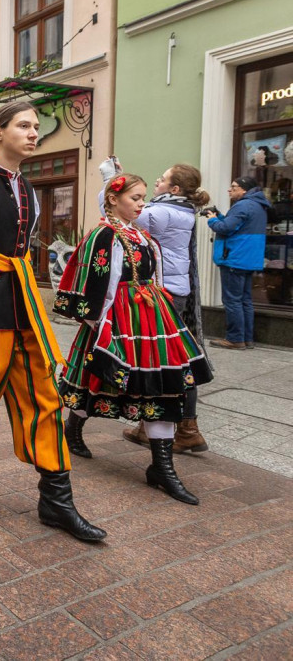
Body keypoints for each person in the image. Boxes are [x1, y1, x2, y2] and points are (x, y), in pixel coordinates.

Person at [0, 100, 105, 542]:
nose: (34, 134)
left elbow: (22, 246)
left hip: (22, 300)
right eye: (24, 126)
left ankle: (56, 499)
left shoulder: (27, 189)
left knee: (45, 396)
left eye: (36, 127)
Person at [55, 174, 213, 504]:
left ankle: (162, 467)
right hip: (115, 318)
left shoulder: (141, 236)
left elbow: (154, 276)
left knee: (165, 385)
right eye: (136, 198)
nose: (142, 204)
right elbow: (94, 281)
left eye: (143, 197)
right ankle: (72, 431)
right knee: (98, 379)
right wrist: (100, 324)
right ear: (114, 200)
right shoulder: (103, 235)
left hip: (151, 317)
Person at [101, 165, 211, 455]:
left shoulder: (161, 212)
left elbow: (114, 202)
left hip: (163, 292)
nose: (157, 183)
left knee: (166, 359)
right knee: (168, 356)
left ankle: (185, 427)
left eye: (162, 179)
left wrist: (113, 178)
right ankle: (158, 426)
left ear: (174, 189)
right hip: (175, 289)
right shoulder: (182, 209)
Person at [206, 176, 269, 350]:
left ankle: (235, 339)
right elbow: (236, 225)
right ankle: (246, 338)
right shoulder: (258, 205)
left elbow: (224, 228)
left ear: (244, 190)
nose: (229, 190)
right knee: (245, 300)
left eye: (233, 187)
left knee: (232, 300)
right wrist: (219, 215)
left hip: (235, 258)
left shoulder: (242, 205)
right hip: (249, 259)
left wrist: (212, 219)